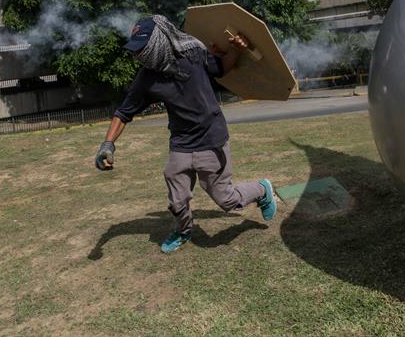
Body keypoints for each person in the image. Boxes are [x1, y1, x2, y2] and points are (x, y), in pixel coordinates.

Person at [94, 15, 276, 253]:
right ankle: (183, 230)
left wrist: (236, 50)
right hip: (180, 143)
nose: (137, 55)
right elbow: (123, 112)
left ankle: (263, 189)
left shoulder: (193, 54)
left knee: (226, 200)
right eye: (135, 51)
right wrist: (107, 144)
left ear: (159, 41)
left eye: (142, 49)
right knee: (177, 200)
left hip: (211, 138)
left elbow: (220, 68)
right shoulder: (146, 79)